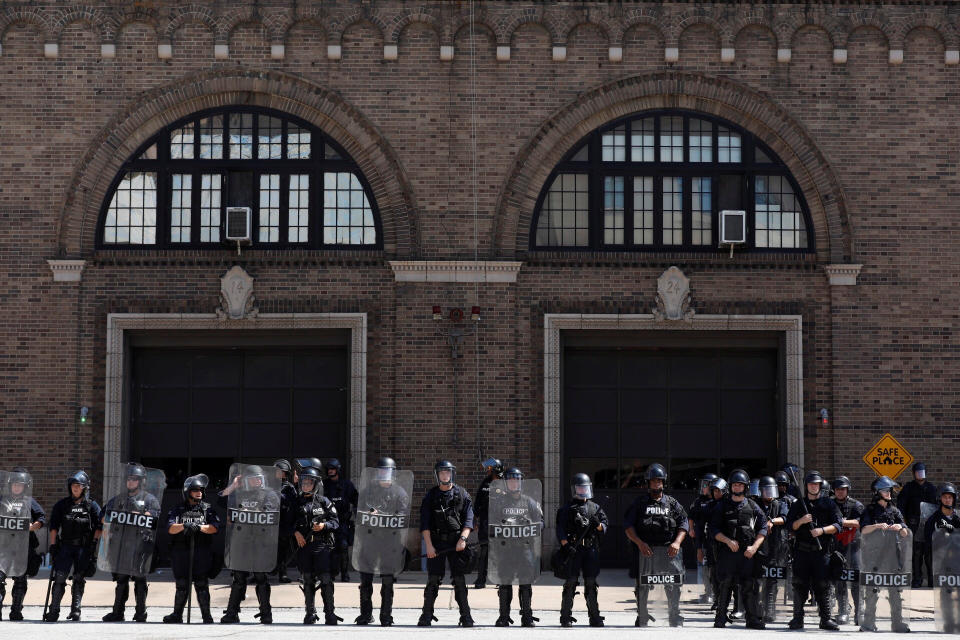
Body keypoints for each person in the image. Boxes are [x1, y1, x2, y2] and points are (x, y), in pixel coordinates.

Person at [624, 463, 687, 627]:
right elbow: (628, 527)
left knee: (673, 583)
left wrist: (677, 542)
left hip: (668, 551)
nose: (656, 484)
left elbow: (684, 524)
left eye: (659, 481)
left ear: (663, 482)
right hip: (646, 551)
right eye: (653, 481)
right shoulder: (639, 503)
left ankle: (674, 616)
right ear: (648, 483)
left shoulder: (672, 503)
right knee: (642, 584)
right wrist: (639, 543)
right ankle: (642, 616)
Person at [101, 463, 162, 622]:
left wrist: (140, 513)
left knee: (140, 579)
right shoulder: (117, 500)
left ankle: (141, 612)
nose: (130, 482)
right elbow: (103, 518)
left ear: (141, 481)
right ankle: (117, 612)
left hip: (140, 545)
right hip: (121, 545)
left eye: (134, 479)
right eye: (128, 479)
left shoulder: (149, 499)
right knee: (121, 579)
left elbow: (153, 518)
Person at [221, 465, 281, 624]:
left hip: (260, 542)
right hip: (242, 541)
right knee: (239, 578)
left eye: (258, 478)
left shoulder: (270, 494)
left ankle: (266, 613)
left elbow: (270, 513)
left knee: (261, 577)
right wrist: (233, 486)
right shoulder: (241, 493)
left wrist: (250, 512)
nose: (256, 481)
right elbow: (221, 500)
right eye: (253, 479)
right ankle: (232, 613)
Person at [418, 459, 475, 627]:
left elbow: (469, 520)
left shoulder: (462, 494)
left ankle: (466, 616)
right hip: (436, 542)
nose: (445, 475)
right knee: (433, 579)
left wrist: (463, 539)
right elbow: (425, 523)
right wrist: (428, 545)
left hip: (457, 542)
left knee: (459, 580)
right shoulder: (431, 496)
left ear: (452, 474)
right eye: (442, 472)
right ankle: (426, 615)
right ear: (437, 475)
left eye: (448, 472)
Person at [355, 457, 410, 627]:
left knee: (387, 581)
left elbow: (403, 517)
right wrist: (367, 514)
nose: (383, 473)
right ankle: (365, 614)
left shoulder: (400, 493)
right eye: (381, 470)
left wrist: (386, 517)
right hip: (369, 540)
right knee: (365, 580)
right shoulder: (368, 491)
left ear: (392, 473)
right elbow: (357, 512)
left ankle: (386, 615)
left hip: (389, 542)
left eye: (387, 470)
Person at [785, 469, 842, 630]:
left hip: (821, 551)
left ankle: (826, 619)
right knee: (799, 585)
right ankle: (797, 618)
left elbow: (838, 525)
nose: (814, 487)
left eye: (816, 484)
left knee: (823, 585)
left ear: (820, 486)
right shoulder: (798, 504)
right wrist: (801, 521)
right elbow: (790, 526)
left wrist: (822, 530)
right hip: (802, 551)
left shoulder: (829, 504)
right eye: (811, 484)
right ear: (806, 486)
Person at [710, 469, 767, 630]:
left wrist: (755, 547)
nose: (737, 488)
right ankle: (720, 617)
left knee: (749, 586)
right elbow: (713, 530)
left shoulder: (753, 506)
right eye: (734, 485)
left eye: (740, 485)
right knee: (725, 584)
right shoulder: (722, 506)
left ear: (745, 487)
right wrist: (727, 541)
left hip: (747, 553)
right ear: (730, 487)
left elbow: (763, 528)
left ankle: (752, 619)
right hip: (728, 552)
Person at [44, 470, 102, 622]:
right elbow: (54, 527)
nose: (75, 488)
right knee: (60, 578)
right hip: (66, 547)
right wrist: (53, 544)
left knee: (79, 578)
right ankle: (54, 610)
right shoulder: (62, 505)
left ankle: (76, 610)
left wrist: (94, 544)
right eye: (73, 485)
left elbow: (99, 526)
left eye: (78, 486)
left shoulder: (91, 506)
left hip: (84, 547)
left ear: (85, 488)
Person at [163, 474, 219, 624]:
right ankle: (177, 615)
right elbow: (170, 528)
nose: (199, 492)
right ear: (188, 492)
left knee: (202, 584)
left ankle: (207, 616)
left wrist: (199, 527)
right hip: (181, 551)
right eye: (195, 490)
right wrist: (184, 525)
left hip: (201, 551)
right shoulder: (178, 509)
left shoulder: (208, 509)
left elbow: (214, 528)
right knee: (182, 585)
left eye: (200, 490)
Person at [556, 472, 608, 628]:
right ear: (574, 489)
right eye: (579, 488)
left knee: (591, 583)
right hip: (573, 549)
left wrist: (597, 523)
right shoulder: (567, 508)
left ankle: (595, 617)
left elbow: (604, 527)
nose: (583, 491)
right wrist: (566, 546)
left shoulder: (595, 508)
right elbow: (560, 530)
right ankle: (565, 617)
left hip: (590, 549)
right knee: (571, 582)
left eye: (585, 488)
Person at [493, 467, 543, 627]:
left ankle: (527, 616)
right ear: (506, 483)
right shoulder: (498, 502)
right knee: (505, 583)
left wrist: (530, 524)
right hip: (506, 549)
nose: (513, 483)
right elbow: (490, 524)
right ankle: (504, 616)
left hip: (524, 548)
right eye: (510, 481)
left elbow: (541, 523)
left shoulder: (529, 502)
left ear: (521, 482)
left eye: (516, 480)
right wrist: (501, 525)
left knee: (525, 582)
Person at [860, 476, 911, 633]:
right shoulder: (869, 510)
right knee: (872, 591)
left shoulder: (894, 510)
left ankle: (897, 623)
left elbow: (905, 533)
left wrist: (900, 528)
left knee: (895, 592)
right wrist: (876, 526)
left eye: (889, 490)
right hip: (873, 556)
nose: (889, 493)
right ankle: (868, 623)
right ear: (877, 493)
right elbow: (863, 530)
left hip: (892, 556)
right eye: (885, 490)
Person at [294, 466, 340, 625]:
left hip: (322, 546)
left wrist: (324, 526)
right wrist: (296, 532)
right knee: (307, 579)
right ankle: (310, 613)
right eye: (303, 482)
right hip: (304, 546)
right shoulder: (296, 501)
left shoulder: (324, 501)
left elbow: (336, 522)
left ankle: (330, 613)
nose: (306, 485)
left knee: (326, 579)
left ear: (315, 484)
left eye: (309, 483)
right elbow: (286, 523)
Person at [0, 469, 44, 621]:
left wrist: (33, 526)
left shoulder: (29, 502)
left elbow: (41, 518)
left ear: (24, 486)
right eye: (14, 485)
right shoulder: (2, 500)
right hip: (3, 547)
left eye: (20, 485)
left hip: (22, 548)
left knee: (20, 580)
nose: (16, 487)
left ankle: (16, 610)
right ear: (10, 485)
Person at [897, 461, 938, 587]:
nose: (920, 475)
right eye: (917, 472)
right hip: (913, 523)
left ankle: (932, 579)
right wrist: (903, 521)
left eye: (922, 472)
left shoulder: (931, 488)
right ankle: (917, 579)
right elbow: (901, 506)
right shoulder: (908, 488)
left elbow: (937, 506)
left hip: (929, 524)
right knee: (916, 553)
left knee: (930, 552)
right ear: (914, 474)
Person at [926, 483, 960, 633]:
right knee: (945, 592)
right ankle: (948, 622)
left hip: (958, 560)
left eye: (950, 498)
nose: (947, 500)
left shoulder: (958, 517)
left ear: (954, 500)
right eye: (945, 497)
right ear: (940, 499)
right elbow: (928, 540)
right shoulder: (934, 519)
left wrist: (953, 531)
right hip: (942, 561)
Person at [832, 476, 864, 625]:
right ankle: (843, 610)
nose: (840, 492)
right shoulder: (829, 504)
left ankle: (859, 612)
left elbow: (858, 522)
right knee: (840, 578)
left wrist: (841, 522)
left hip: (854, 545)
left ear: (847, 490)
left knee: (856, 578)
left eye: (843, 489)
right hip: (837, 545)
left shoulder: (856, 505)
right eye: (838, 489)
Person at [757, 475, 788, 624]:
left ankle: (770, 609)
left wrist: (772, 521)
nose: (768, 494)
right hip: (759, 546)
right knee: (757, 578)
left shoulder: (780, 503)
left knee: (772, 579)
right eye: (766, 490)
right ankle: (755, 608)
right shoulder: (755, 503)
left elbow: (785, 517)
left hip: (776, 546)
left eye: (771, 490)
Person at [323, 459, 358, 583]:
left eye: (332, 469)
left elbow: (356, 500)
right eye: (328, 469)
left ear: (337, 470)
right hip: (328, 522)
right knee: (329, 547)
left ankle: (345, 573)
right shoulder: (324, 485)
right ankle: (332, 573)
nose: (330, 471)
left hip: (343, 521)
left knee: (343, 547)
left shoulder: (346, 485)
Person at [688, 473, 718, 605]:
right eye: (703, 485)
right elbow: (691, 516)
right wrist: (691, 529)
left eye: (706, 485)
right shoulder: (698, 501)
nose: (703, 488)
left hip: (716, 540)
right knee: (704, 567)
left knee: (715, 568)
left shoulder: (719, 501)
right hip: (702, 540)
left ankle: (717, 593)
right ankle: (708, 592)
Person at [474, 456, 503, 589]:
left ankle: (501, 579)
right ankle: (481, 579)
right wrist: (474, 518)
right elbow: (478, 502)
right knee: (484, 550)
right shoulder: (485, 483)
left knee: (500, 552)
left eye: (490, 469)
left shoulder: (506, 484)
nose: (488, 471)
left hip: (501, 523)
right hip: (486, 522)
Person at [273, 459, 297, 584]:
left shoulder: (289, 487)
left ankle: (283, 573)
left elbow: (294, 502)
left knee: (283, 549)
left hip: (284, 522)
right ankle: (260, 572)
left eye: (282, 472)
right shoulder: (269, 484)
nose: (279, 474)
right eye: (277, 471)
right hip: (270, 521)